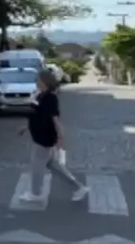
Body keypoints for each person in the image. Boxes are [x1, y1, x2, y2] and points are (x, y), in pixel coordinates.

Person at [20, 69, 89, 203]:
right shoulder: (40, 95)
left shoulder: (50, 98)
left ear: (45, 82)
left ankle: (35, 193)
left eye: (38, 80)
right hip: (39, 135)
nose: (36, 82)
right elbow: (35, 115)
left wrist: (60, 136)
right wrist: (26, 127)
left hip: (44, 138)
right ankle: (78, 188)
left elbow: (54, 118)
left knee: (37, 166)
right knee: (53, 166)